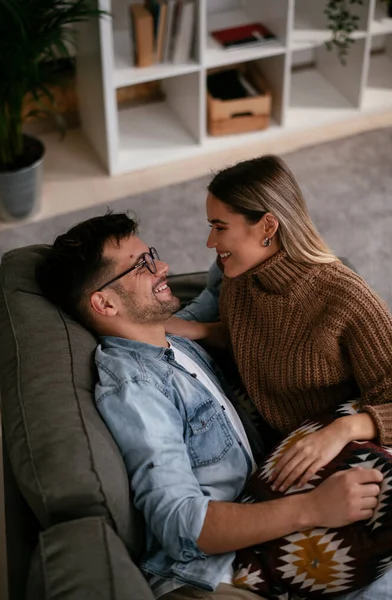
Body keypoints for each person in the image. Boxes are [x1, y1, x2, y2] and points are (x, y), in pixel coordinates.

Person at [37, 212, 388, 600]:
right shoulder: (135, 389)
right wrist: (313, 508)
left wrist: (243, 232)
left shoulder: (166, 338)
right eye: (141, 265)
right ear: (103, 302)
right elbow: (181, 524)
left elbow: (219, 292)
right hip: (216, 574)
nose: (163, 266)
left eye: (150, 254)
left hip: (264, 511)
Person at [166, 154, 392, 494]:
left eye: (220, 227)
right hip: (274, 443)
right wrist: (196, 330)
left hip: (336, 443)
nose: (211, 242)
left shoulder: (346, 299)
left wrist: (341, 430)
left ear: (268, 227)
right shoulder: (240, 279)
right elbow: (253, 339)